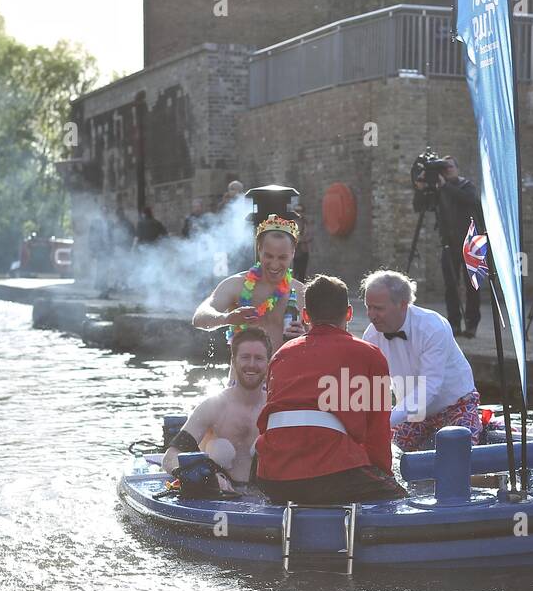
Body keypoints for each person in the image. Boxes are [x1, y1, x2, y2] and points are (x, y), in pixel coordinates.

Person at [254, 275, 407, 504]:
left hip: (273, 477)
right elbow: (378, 433)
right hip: (334, 472)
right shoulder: (369, 355)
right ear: (348, 314)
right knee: (399, 499)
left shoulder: (280, 355)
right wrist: (383, 477)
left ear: (305, 315)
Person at [360, 270, 482, 452]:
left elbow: (430, 386)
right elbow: (372, 386)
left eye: (378, 308)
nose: (371, 315)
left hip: (457, 405)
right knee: (383, 453)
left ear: (402, 305)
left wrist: (385, 420)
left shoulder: (432, 327)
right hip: (413, 412)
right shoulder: (371, 336)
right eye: (368, 307)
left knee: (461, 455)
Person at [161, 327, 271, 489]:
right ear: (233, 361)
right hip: (216, 493)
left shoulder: (276, 407)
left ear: (268, 362)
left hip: (263, 495)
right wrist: (204, 477)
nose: (252, 364)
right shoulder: (213, 406)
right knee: (221, 449)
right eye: (245, 357)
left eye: (259, 358)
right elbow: (170, 457)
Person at [192, 214, 308, 351]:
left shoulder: (302, 293)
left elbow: (321, 343)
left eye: (282, 257)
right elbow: (199, 317)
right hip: (242, 371)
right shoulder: (236, 285)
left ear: (293, 253)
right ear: (259, 250)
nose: (275, 264)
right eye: (269, 256)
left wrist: (305, 338)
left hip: (283, 370)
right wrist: (227, 318)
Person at [417, 156, 483, 337]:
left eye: (450, 166)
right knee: (451, 286)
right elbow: (420, 206)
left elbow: (469, 200)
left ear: (457, 168)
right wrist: (422, 185)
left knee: (473, 285)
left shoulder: (466, 185)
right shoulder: (441, 190)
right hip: (449, 243)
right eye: (444, 168)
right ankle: (453, 324)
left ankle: (471, 324)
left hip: (472, 243)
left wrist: (444, 186)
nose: (448, 170)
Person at [293, 203, 314, 282]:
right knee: (294, 274)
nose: (298, 213)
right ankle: (293, 293)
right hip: (294, 252)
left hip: (303, 250)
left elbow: (310, 236)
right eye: (296, 211)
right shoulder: (292, 223)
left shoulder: (306, 223)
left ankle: (301, 292)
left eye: (300, 211)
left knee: (302, 274)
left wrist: (300, 239)